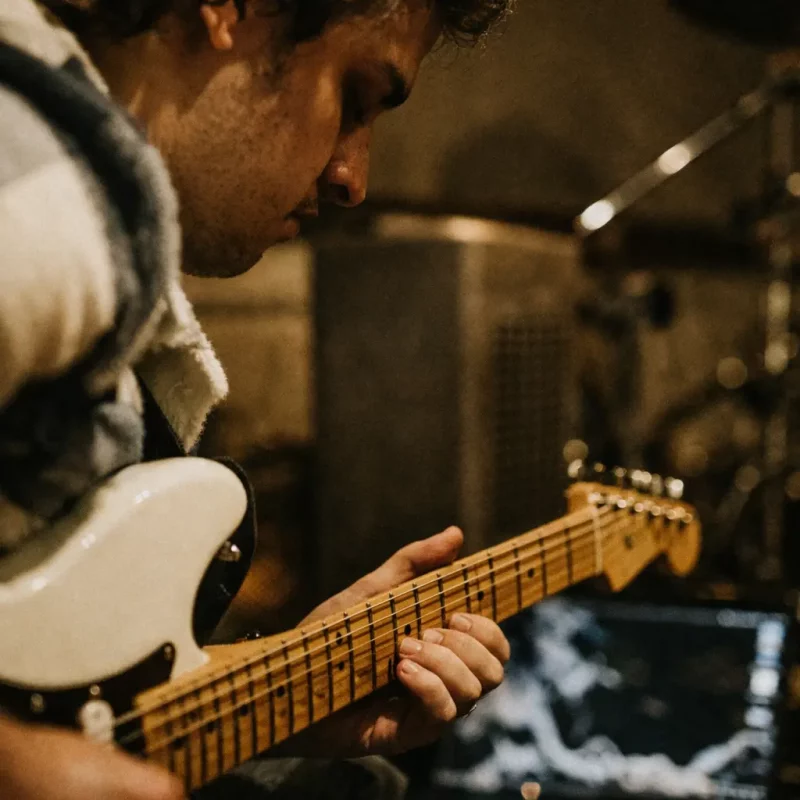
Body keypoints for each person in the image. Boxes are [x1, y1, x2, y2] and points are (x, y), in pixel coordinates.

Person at [0, 0, 512, 798]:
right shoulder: (39, 202)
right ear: (228, 11)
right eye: (355, 95)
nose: (353, 177)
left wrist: (284, 688)